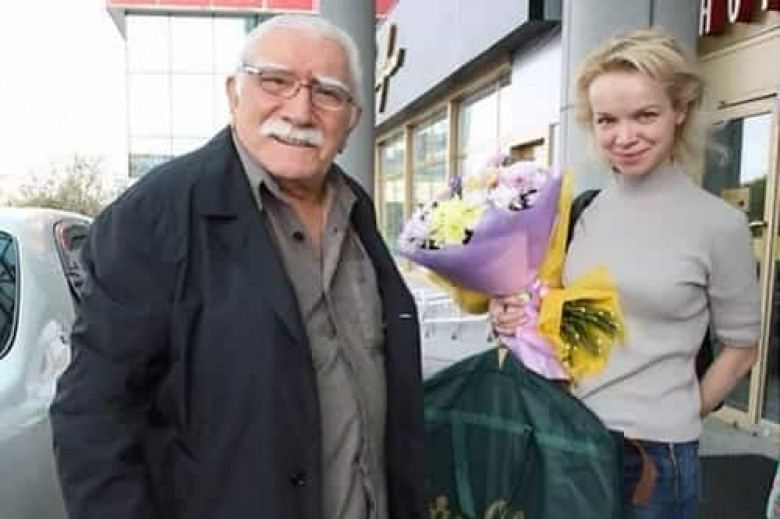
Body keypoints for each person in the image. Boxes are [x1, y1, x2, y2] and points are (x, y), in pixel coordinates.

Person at [50, 15, 424, 519]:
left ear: (353, 118)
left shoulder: (356, 209)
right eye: (276, 80)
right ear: (234, 93)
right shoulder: (155, 214)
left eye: (328, 93)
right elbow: (94, 419)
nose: (300, 110)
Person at [490, 27, 760, 518]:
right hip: (567, 438)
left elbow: (742, 348)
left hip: (656, 460)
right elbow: (547, 313)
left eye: (645, 115)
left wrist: (682, 412)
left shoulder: (719, 224)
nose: (624, 136)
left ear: (679, 110)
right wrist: (509, 316)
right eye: (607, 120)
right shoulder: (577, 213)